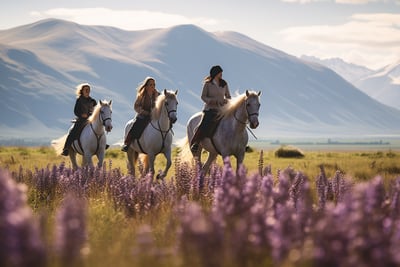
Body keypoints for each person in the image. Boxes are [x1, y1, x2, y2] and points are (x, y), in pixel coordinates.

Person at [190, 65, 231, 153]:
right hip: (210, 109)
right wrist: (212, 101)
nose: (221, 74)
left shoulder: (224, 84)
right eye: (220, 73)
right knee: (204, 124)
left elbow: (228, 96)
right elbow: (203, 97)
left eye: (221, 73)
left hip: (222, 109)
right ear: (215, 73)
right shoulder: (208, 84)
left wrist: (226, 101)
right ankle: (196, 143)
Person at [121, 77, 160, 152]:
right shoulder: (141, 96)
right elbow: (136, 106)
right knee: (136, 125)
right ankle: (127, 143)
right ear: (146, 86)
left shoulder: (158, 94)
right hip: (143, 115)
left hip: (154, 116)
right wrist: (143, 112)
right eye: (151, 84)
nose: (153, 86)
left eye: (154, 85)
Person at [62, 83, 97, 156]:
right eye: (86, 89)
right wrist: (81, 115)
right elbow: (75, 111)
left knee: (99, 129)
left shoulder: (93, 101)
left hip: (91, 120)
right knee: (73, 132)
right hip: (81, 120)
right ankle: (66, 148)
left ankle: (102, 144)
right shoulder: (79, 100)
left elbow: (96, 111)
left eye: (88, 89)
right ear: (82, 91)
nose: (87, 91)